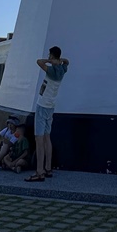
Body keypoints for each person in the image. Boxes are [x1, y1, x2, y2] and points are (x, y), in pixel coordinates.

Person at [26, 45, 69, 182]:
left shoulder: (51, 71)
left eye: (50, 55)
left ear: (52, 55)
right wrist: (59, 60)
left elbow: (39, 61)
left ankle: (39, 172)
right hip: (51, 106)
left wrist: (51, 61)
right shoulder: (62, 69)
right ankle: (48, 168)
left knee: (39, 140)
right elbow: (67, 62)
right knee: (47, 138)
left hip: (42, 105)